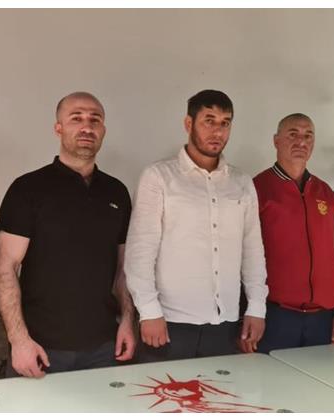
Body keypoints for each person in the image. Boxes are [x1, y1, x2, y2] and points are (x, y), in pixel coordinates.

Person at [0, 92, 135, 378]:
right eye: (76, 118)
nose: (87, 126)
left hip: (104, 347)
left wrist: (127, 321)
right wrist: (19, 340)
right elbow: (4, 267)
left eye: (95, 120)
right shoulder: (28, 189)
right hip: (40, 347)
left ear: (103, 130)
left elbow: (123, 268)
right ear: (58, 128)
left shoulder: (116, 192)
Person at [125, 89, 268, 362]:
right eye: (209, 121)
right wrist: (149, 311)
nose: (218, 131)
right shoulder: (159, 177)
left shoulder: (241, 182)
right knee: (164, 389)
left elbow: (252, 251)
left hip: (225, 322)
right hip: (169, 321)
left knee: (221, 390)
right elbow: (140, 251)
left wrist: (256, 307)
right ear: (189, 124)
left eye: (225, 123)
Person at [253, 113, 334, 351]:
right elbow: (243, 255)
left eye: (308, 136)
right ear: (276, 141)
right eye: (293, 134)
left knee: (317, 376)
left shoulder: (325, 192)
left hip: (321, 317)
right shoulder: (258, 188)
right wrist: (249, 313)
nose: (301, 142)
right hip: (275, 315)